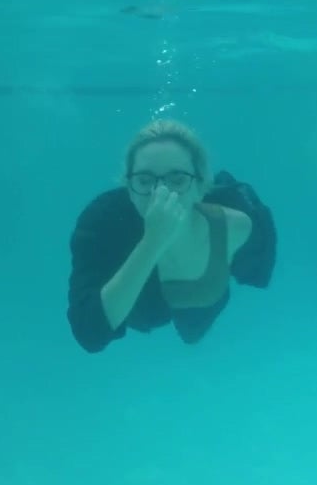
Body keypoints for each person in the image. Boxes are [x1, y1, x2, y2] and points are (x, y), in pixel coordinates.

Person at [67, 120, 276, 353]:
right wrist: (153, 241)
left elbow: (257, 262)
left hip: (202, 303)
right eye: (145, 181)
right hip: (142, 310)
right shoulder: (102, 224)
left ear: (201, 185)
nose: (161, 194)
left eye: (177, 179)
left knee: (193, 334)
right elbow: (89, 334)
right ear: (128, 188)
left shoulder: (238, 223)